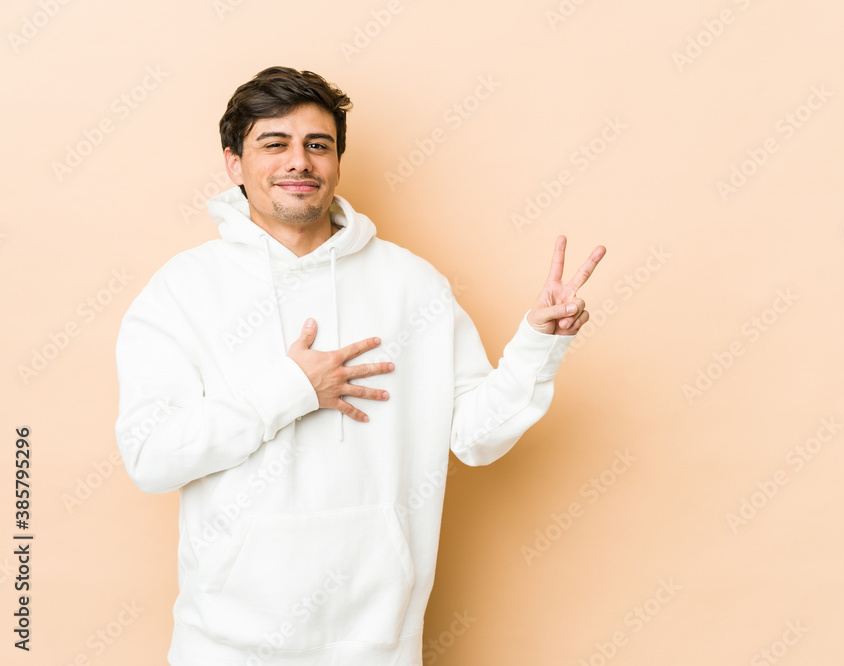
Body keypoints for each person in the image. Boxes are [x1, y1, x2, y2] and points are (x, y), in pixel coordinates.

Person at [114, 65, 605, 665]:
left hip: (376, 645)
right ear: (233, 164)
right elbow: (151, 456)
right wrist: (293, 387)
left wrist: (537, 342)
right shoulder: (182, 291)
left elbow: (475, 438)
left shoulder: (412, 284)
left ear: (337, 161)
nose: (299, 161)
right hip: (225, 645)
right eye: (275, 144)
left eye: (317, 145)